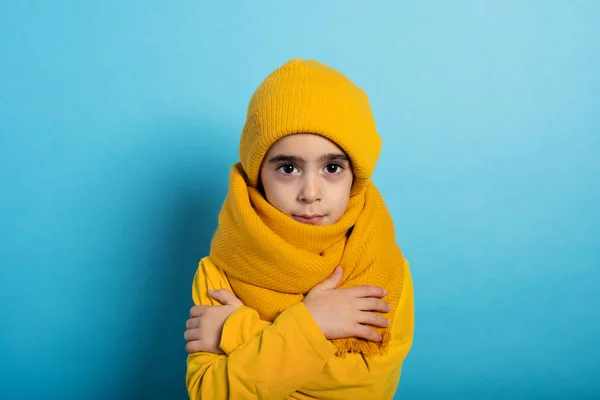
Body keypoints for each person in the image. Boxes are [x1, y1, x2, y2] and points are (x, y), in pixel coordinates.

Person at [184, 58, 414, 399]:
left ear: (356, 176)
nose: (310, 193)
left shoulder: (382, 267)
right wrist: (314, 324)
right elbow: (210, 392)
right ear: (257, 173)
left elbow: (366, 387)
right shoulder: (221, 268)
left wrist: (239, 330)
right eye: (288, 168)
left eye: (332, 167)